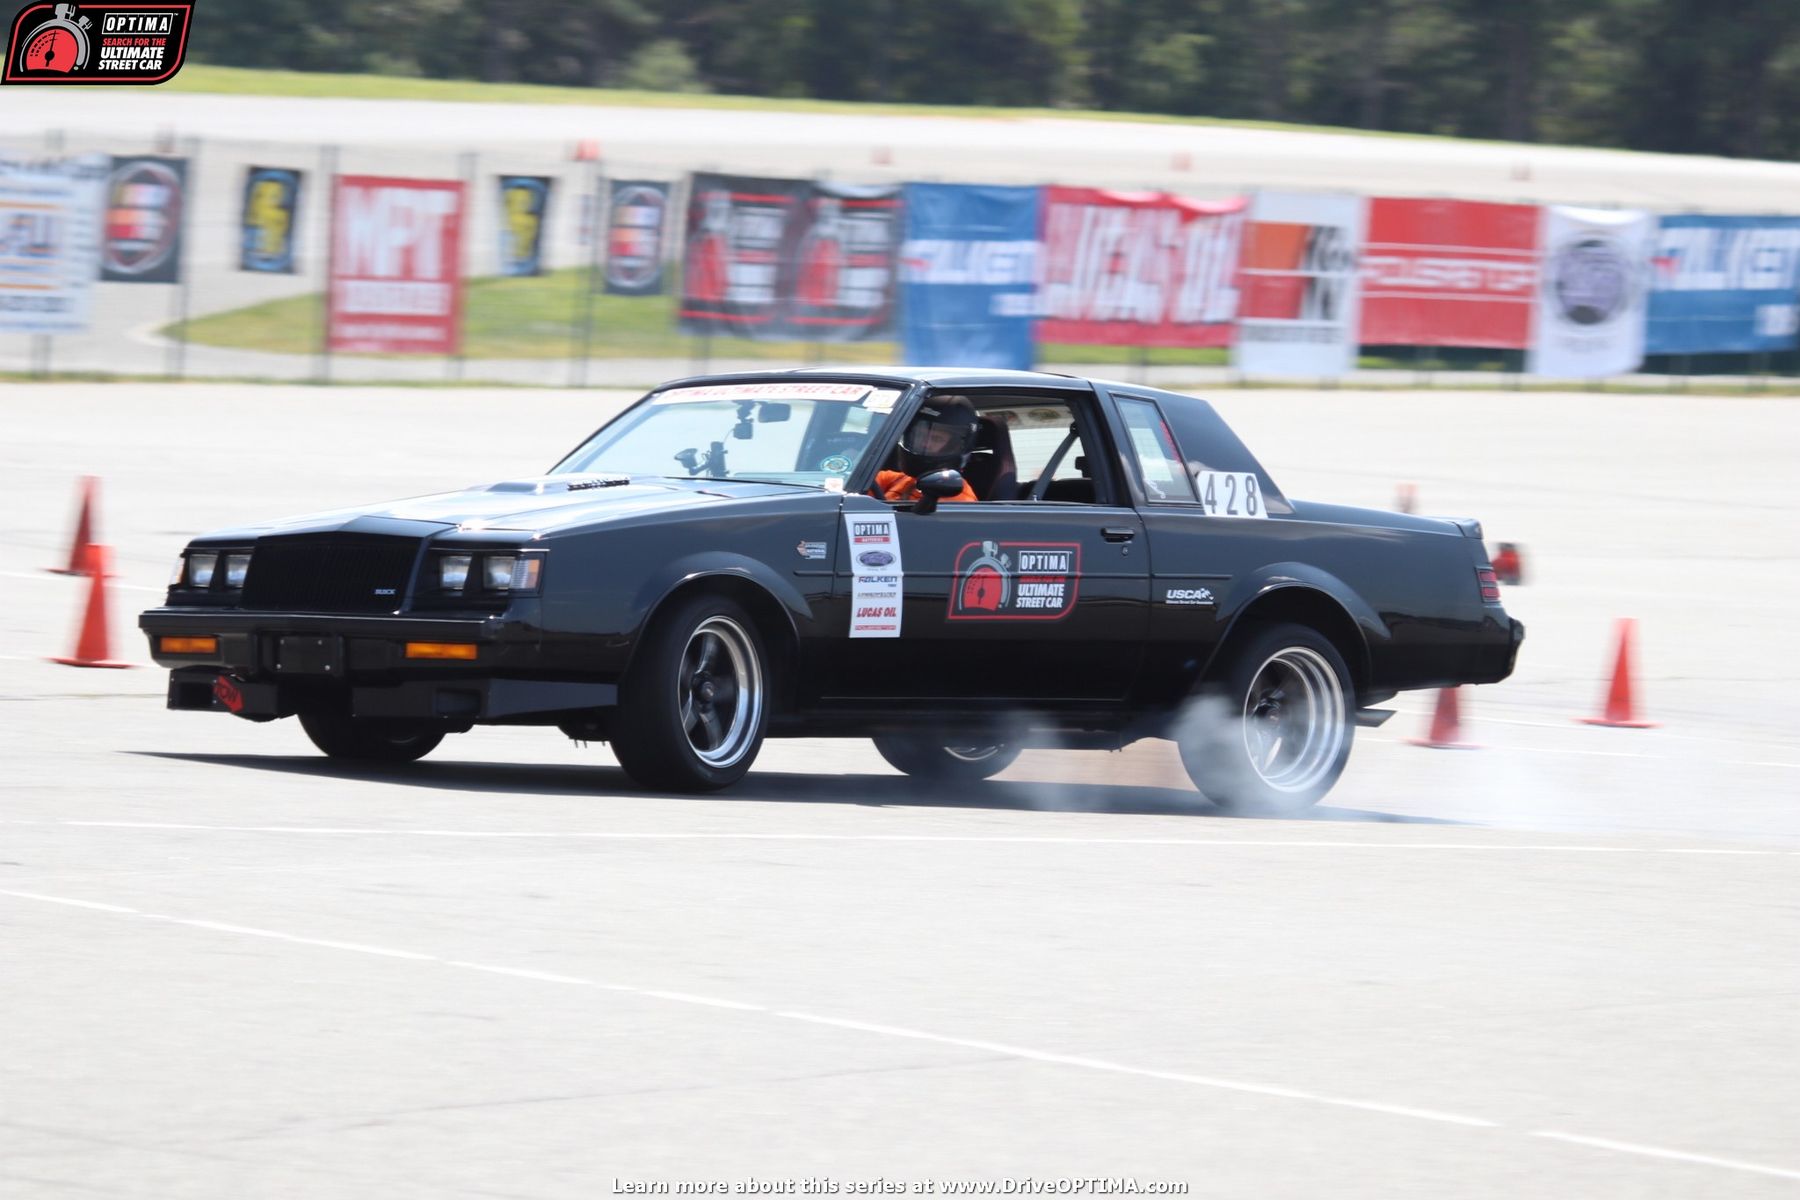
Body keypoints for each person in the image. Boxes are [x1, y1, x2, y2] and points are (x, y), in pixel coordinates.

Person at [872, 396, 980, 503]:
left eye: (936, 439)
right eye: (920, 435)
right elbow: (864, 479)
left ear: (953, 446)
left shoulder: (956, 499)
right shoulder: (900, 479)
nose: (924, 444)